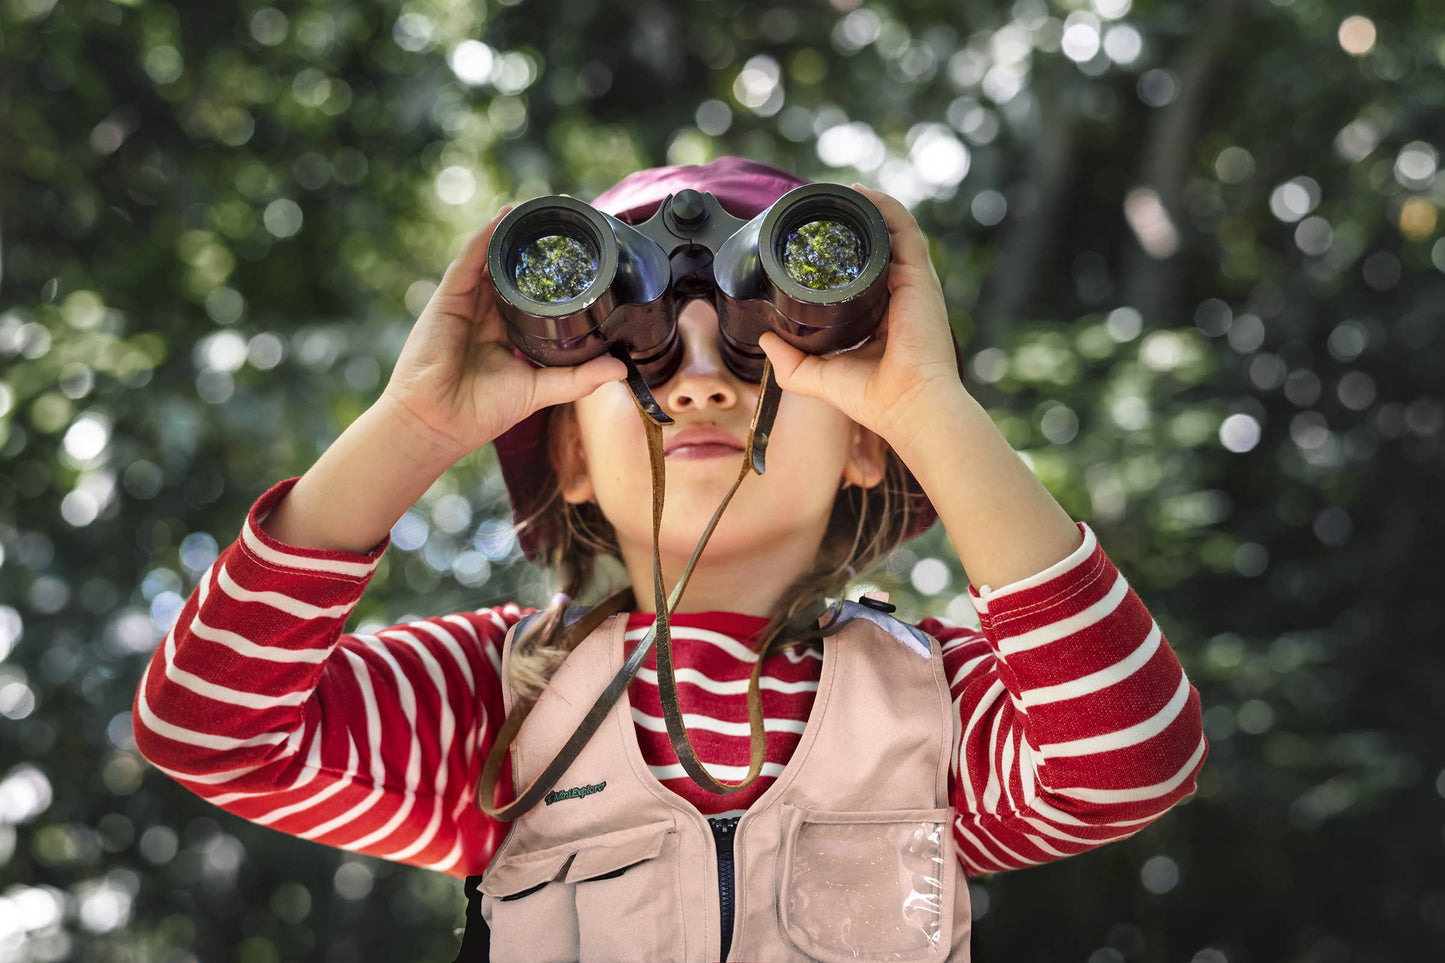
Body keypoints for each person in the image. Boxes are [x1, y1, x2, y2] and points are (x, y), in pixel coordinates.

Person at [132, 156, 1208, 962]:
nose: (700, 384)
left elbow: (1130, 760)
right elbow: (210, 728)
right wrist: (414, 424)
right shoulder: (497, 701)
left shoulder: (934, 704)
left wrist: (929, 406)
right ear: (567, 453)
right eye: (643, 352)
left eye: (759, 350)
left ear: (866, 445)